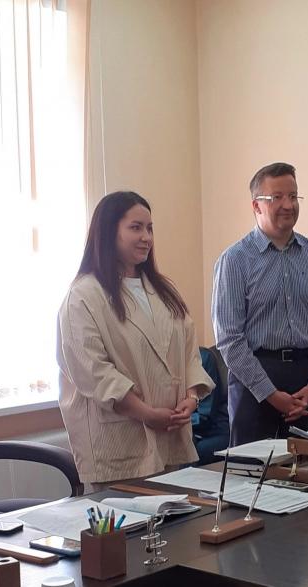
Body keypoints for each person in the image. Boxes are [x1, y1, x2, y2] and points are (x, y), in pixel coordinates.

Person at [57, 191, 213, 491]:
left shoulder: (163, 290)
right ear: (109, 231)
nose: (146, 237)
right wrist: (146, 414)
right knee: (127, 520)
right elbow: (94, 372)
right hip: (119, 443)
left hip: (170, 435)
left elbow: (189, 352)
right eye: (136, 227)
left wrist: (191, 398)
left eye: (150, 228)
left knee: (175, 519)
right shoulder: (84, 296)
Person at [212, 162, 308, 445]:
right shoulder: (234, 260)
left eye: (293, 196)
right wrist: (269, 393)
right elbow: (229, 339)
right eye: (277, 197)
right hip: (254, 383)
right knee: (252, 470)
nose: (288, 205)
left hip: (305, 382)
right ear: (256, 206)